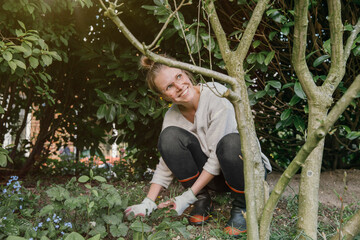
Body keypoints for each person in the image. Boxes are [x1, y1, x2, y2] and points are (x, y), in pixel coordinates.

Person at [125, 55, 272, 236]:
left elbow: (219, 156)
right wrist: (148, 201)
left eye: (179, 77)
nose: (179, 86)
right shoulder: (172, 116)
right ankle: (203, 200)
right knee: (169, 137)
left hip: (245, 171)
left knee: (230, 142)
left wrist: (185, 197)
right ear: (163, 97)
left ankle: (243, 206)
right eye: (169, 86)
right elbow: (165, 163)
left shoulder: (216, 94)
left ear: (186, 72)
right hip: (216, 179)